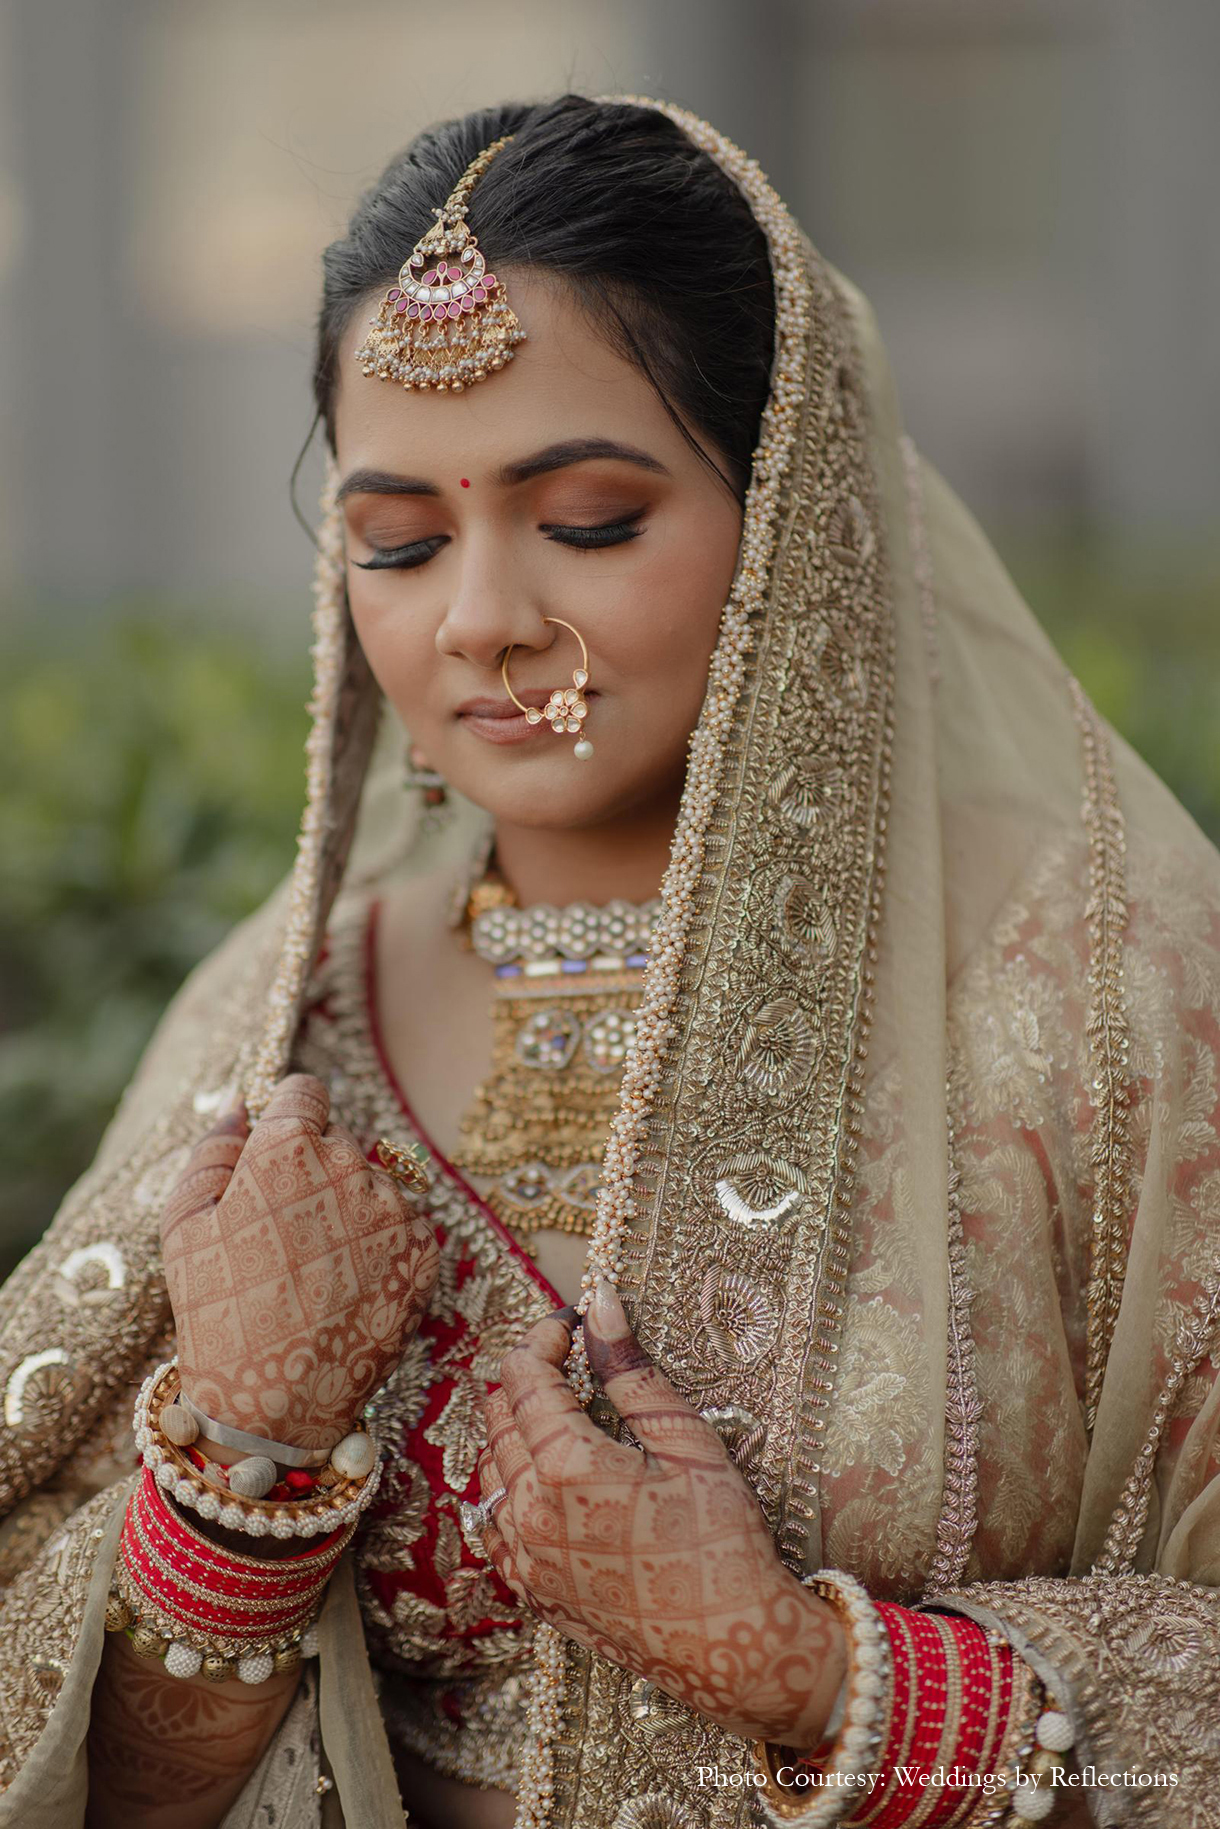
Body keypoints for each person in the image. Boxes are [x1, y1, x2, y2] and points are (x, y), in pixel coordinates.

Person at [0, 91, 1217, 1829]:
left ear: (798, 526)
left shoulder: (1100, 992)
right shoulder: (277, 1021)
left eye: (584, 519)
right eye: (399, 541)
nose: (479, 615)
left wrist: (802, 1667)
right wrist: (241, 1460)